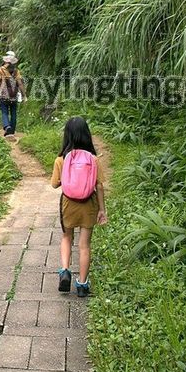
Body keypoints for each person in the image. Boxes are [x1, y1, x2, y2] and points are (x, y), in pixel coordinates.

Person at [51, 116, 107, 298]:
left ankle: (65, 271)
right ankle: (82, 284)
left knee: (67, 237)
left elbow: (54, 184)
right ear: (86, 135)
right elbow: (99, 186)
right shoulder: (93, 159)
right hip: (88, 205)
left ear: (67, 135)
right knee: (84, 246)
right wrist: (102, 210)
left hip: (68, 204)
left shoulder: (61, 159)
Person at [0, 51, 25, 136]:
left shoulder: (0, 70)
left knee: (4, 112)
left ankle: (7, 126)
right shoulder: (16, 71)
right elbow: (20, 84)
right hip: (13, 95)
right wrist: (24, 95)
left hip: (3, 95)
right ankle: (12, 131)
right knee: (13, 112)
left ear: (5, 60)